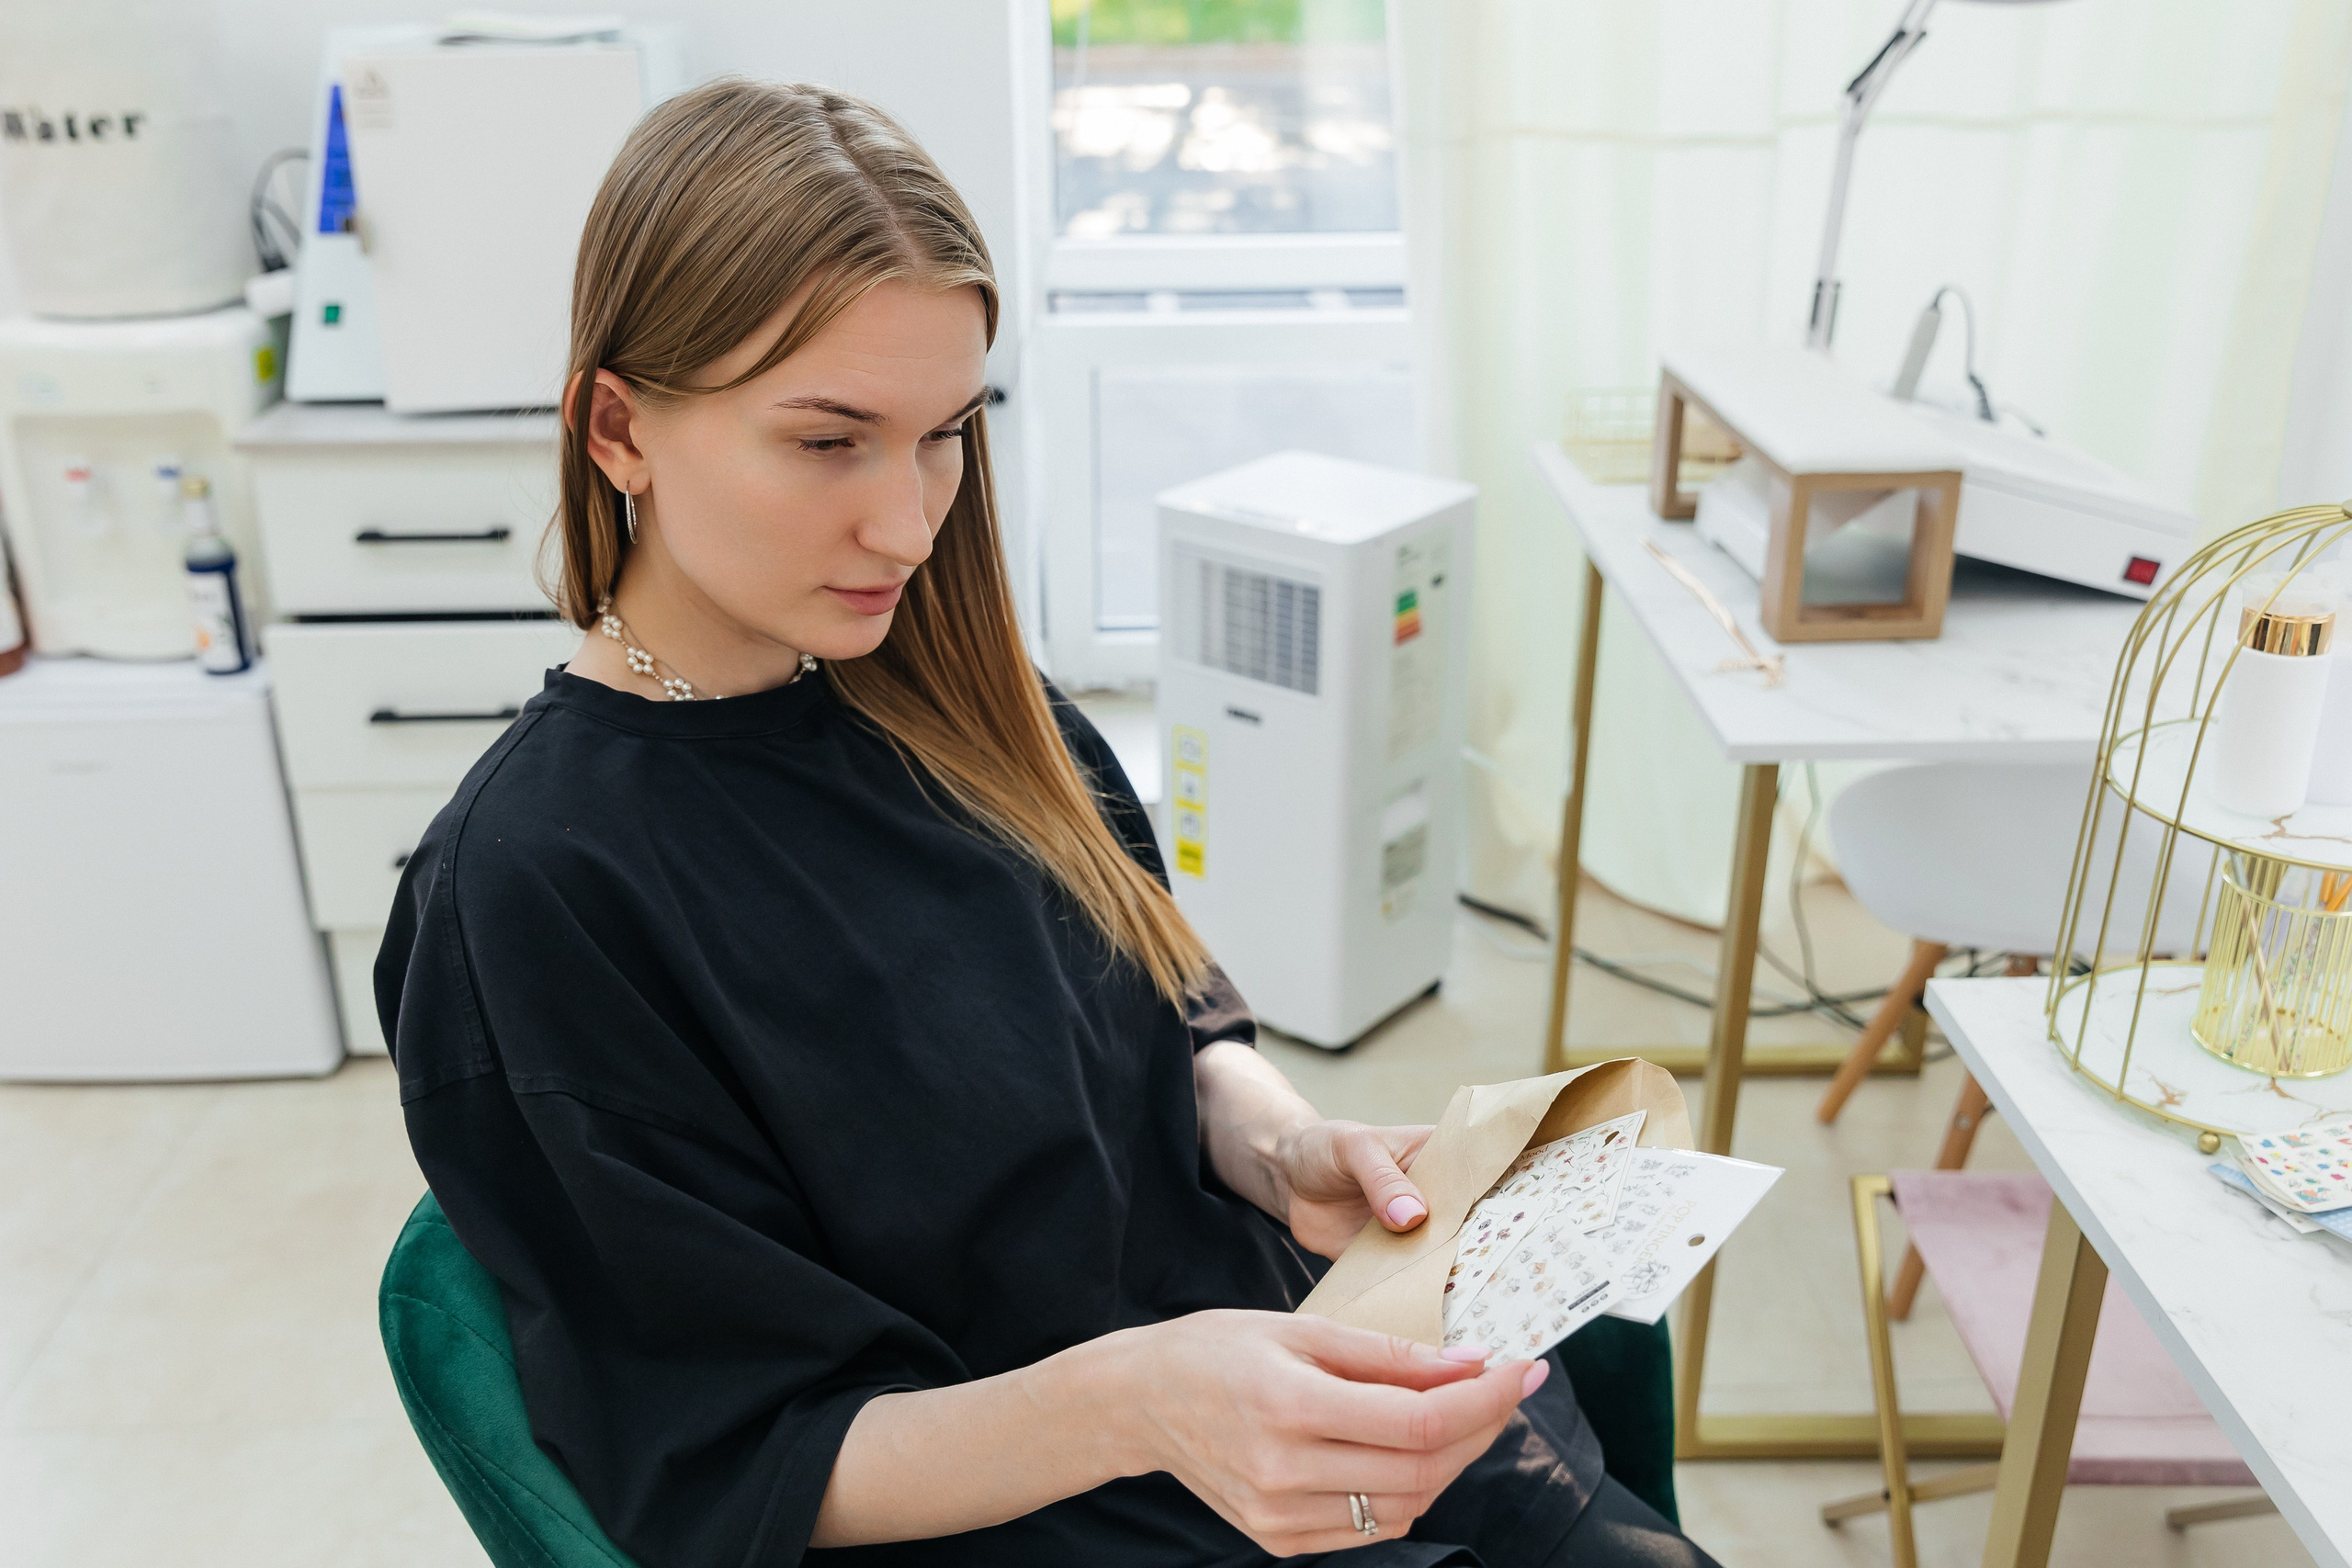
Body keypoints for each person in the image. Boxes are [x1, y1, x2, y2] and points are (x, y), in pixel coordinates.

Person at [380, 77, 1719, 1568]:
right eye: (828, 442)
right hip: (1047, 1512)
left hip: (1275, 1392)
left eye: (945, 433)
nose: (911, 524)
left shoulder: (973, 702)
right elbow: (733, 1462)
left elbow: (1164, 1020)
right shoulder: (536, 891)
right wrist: (1140, 1403)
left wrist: (1280, 1144)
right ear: (619, 427)